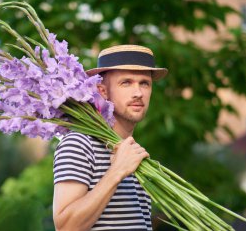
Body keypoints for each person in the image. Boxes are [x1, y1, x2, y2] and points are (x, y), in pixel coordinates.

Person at [53, 45, 168, 230]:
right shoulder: (79, 144)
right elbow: (65, 227)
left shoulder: (134, 153)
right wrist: (116, 172)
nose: (138, 93)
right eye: (126, 83)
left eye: (144, 83)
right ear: (103, 91)